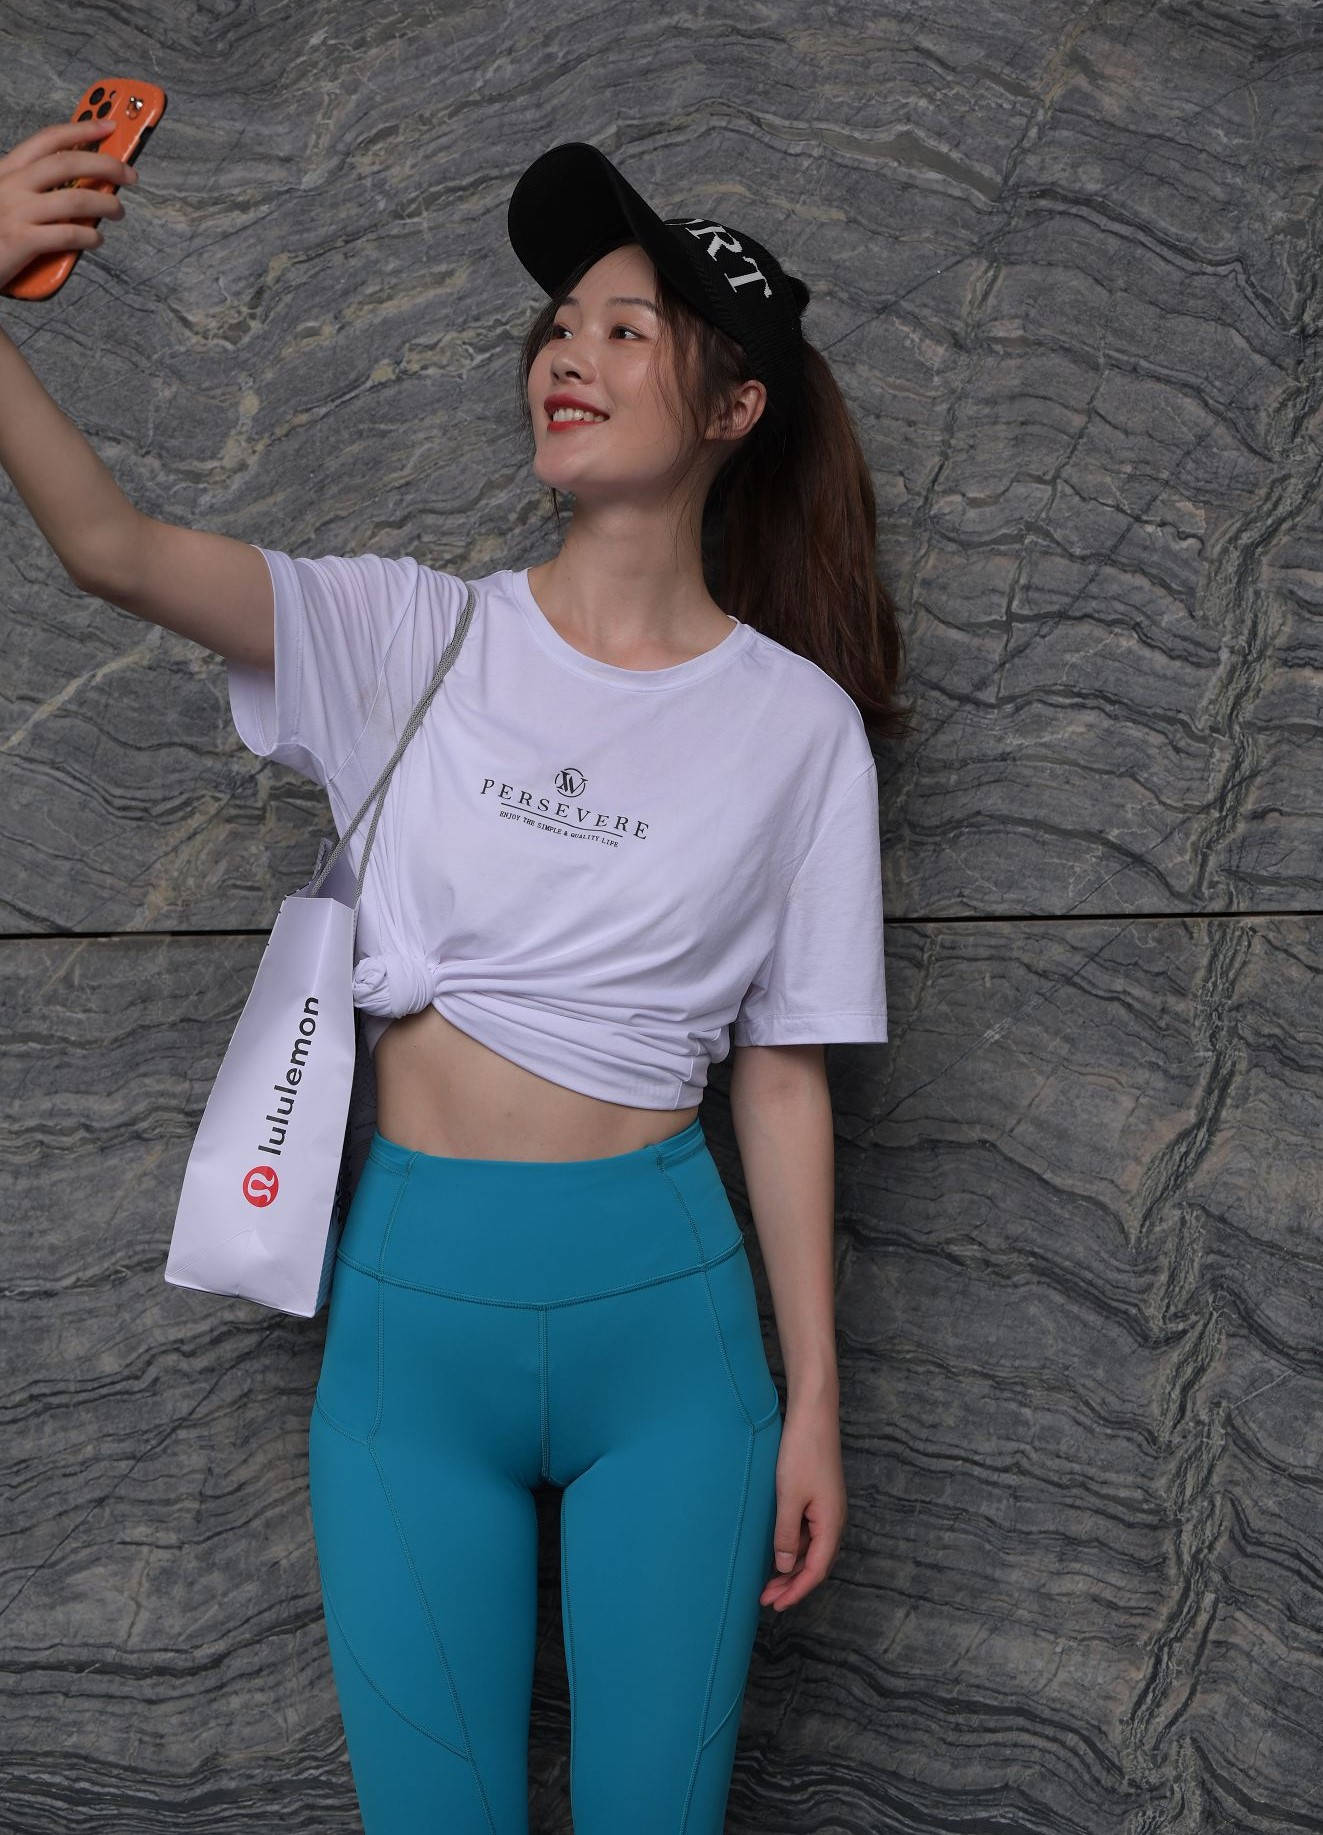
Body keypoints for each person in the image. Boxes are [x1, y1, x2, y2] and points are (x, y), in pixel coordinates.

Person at [0, 120, 909, 1833]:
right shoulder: (406, 637)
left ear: (734, 405)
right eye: (559, 323)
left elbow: (784, 1078)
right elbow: (109, 547)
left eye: (628, 328)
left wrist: (815, 1406)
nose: (570, 352)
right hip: (415, 1331)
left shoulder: (799, 733)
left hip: (674, 1344)